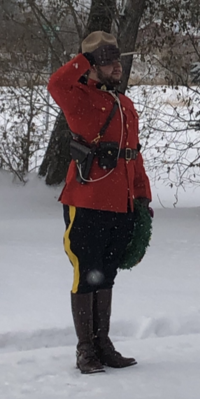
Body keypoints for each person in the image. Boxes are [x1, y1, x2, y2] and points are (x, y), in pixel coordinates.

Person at [48, 30, 154, 374]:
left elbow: (132, 156)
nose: (116, 67)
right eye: (107, 62)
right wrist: (86, 61)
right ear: (93, 66)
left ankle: (103, 343)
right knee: (86, 274)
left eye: (116, 60)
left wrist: (142, 198)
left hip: (120, 202)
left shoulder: (124, 105)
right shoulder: (76, 97)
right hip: (87, 199)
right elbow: (56, 83)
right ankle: (85, 350)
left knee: (106, 274)